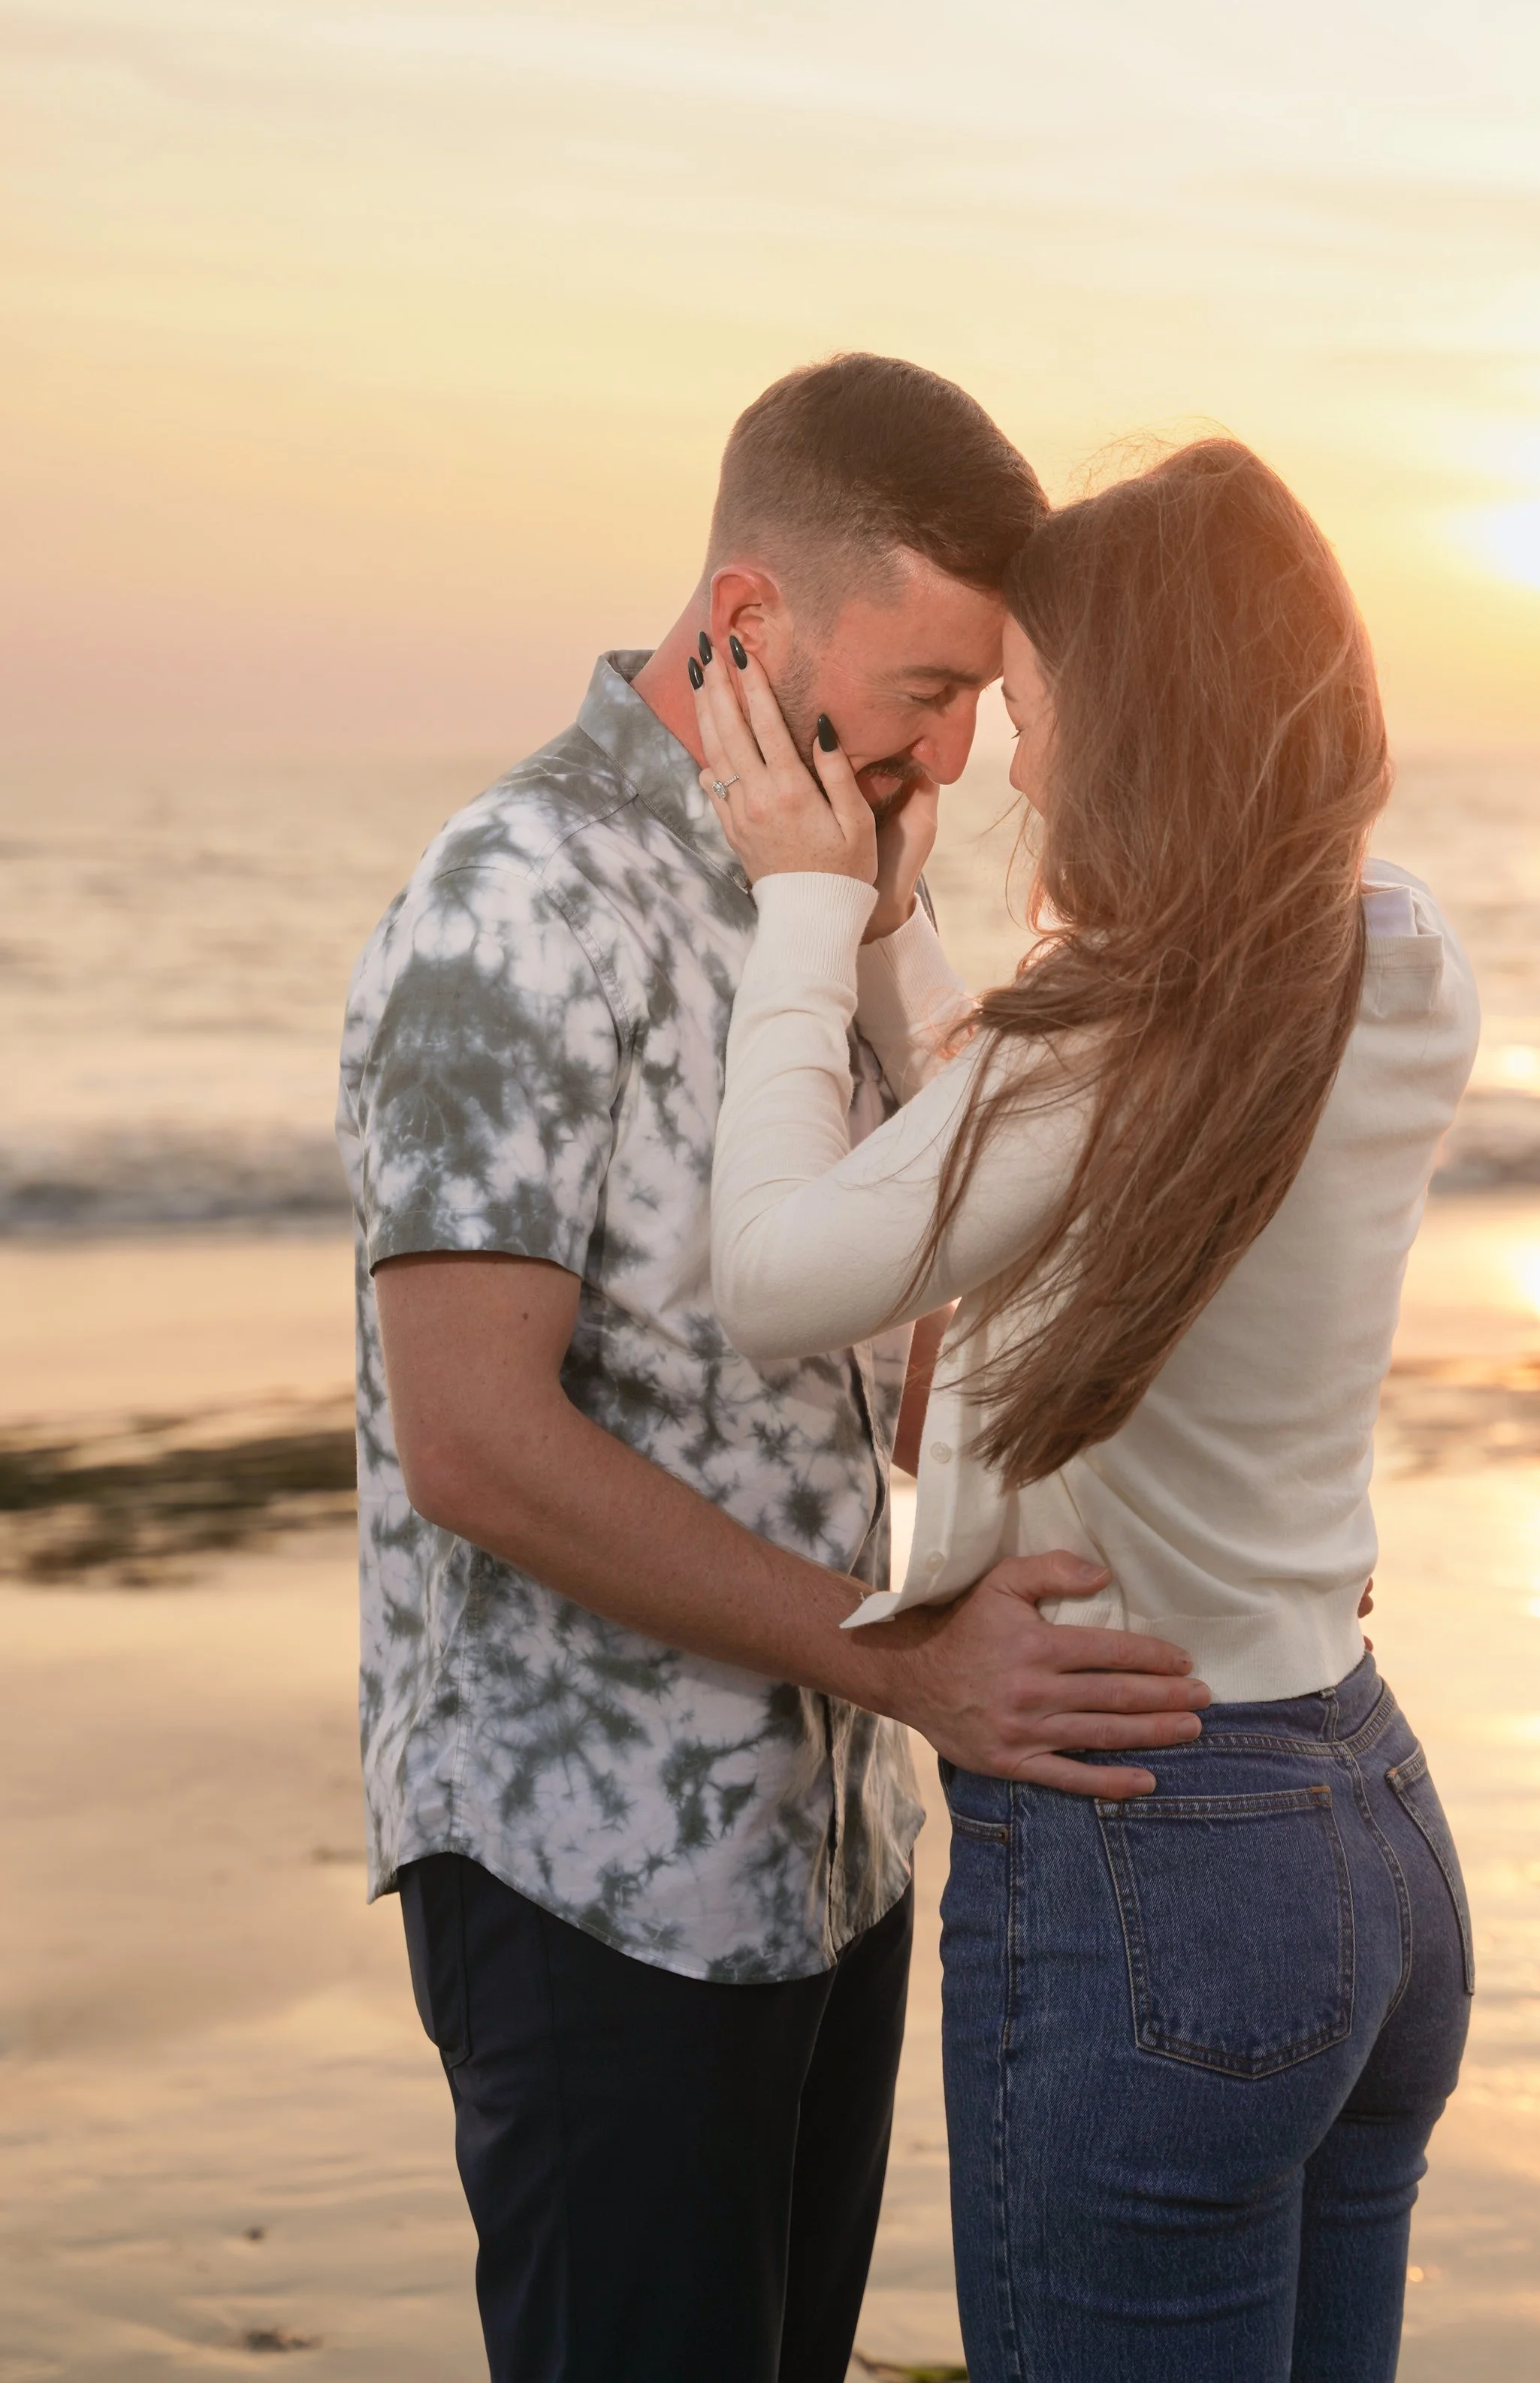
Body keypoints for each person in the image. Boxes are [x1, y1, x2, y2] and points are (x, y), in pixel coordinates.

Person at [335, 355, 1213, 2383]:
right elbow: (472, 1438)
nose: (966, 752)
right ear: (748, 621)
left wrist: (891, 961)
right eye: (929, 691)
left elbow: (930, 1379)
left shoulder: (811, 881)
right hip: (594, 1878)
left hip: (824, 1848)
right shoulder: (516, 902)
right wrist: (899, 1655)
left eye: (988, 703)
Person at [698, 434, 1482, 2383]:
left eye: (1037, 714)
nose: (1019, 768)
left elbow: (782, 1263)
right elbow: (1024, 1121)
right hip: (1362, 1825)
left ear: (1133, 728)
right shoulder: (1399, 963)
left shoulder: (1116, 1038)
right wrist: (895, 937)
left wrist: (804, 908)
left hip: (1160, 1860)